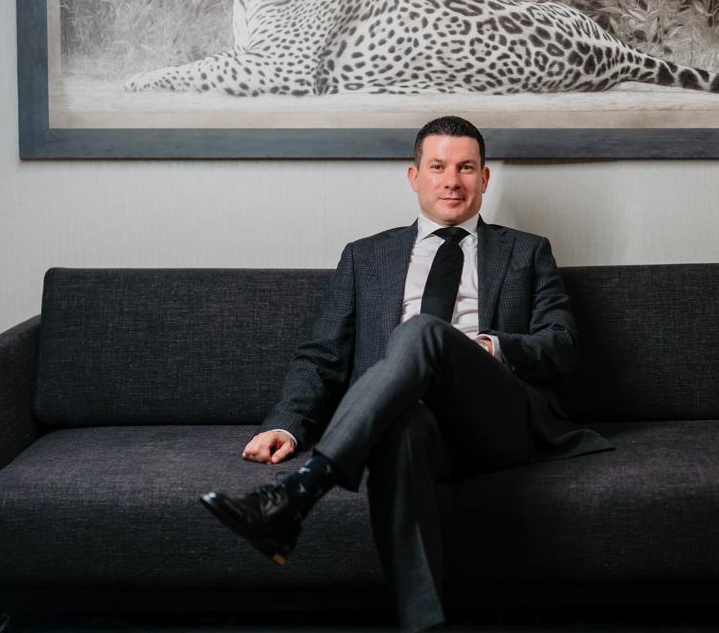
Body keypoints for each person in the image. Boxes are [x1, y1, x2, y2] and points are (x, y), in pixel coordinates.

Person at [200, 115, 611, 631]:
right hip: (411, 420)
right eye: (437, 166)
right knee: (403, 430)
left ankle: (306, 486)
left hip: (497, 420)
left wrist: (487, 346)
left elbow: (563, 345)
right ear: (414, 176)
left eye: (466, 167)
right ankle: (423, 625)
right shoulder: (364, 257)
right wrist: (284, 423)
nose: (452, 180)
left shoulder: (527, 251)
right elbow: (321, 356)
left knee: (421, 332)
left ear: (485, 179)